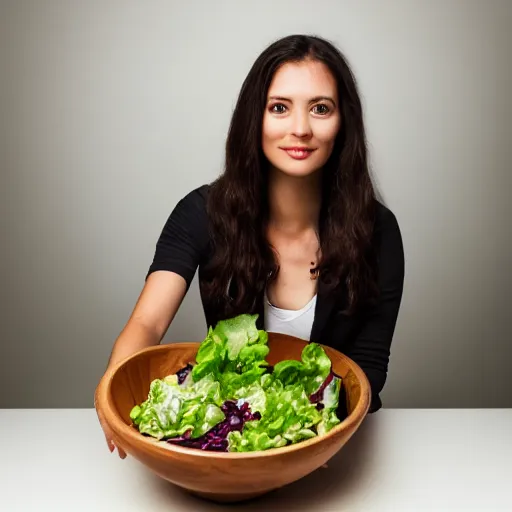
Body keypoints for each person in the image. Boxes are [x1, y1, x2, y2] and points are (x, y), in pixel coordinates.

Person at [95, 34, 405, 458]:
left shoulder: (379, 231)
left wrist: (302, 440)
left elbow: (367, 371)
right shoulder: (200, 213)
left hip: (333, 449)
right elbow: (147, 324)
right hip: (227, 446)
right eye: (279, 107)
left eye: (320, 108)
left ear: (343, 122)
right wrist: (113, 385)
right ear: (252, 119)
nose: (300, 128)